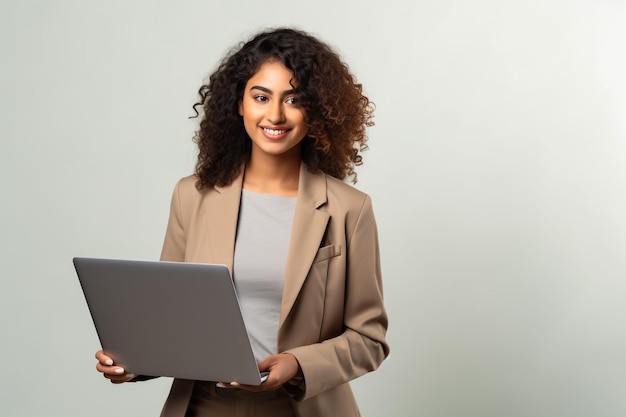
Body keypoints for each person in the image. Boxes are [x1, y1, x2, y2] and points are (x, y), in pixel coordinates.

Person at [94, 27, 389, 417]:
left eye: (294, 99)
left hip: (302, 407)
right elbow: (169, 320)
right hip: (205, 405)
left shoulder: (349, 209)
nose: (275, 115)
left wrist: (298, 364)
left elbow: (369, 339)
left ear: (315, 111)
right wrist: (131, 364)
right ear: (239, 104)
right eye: (261, 97)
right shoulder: (191, 196)